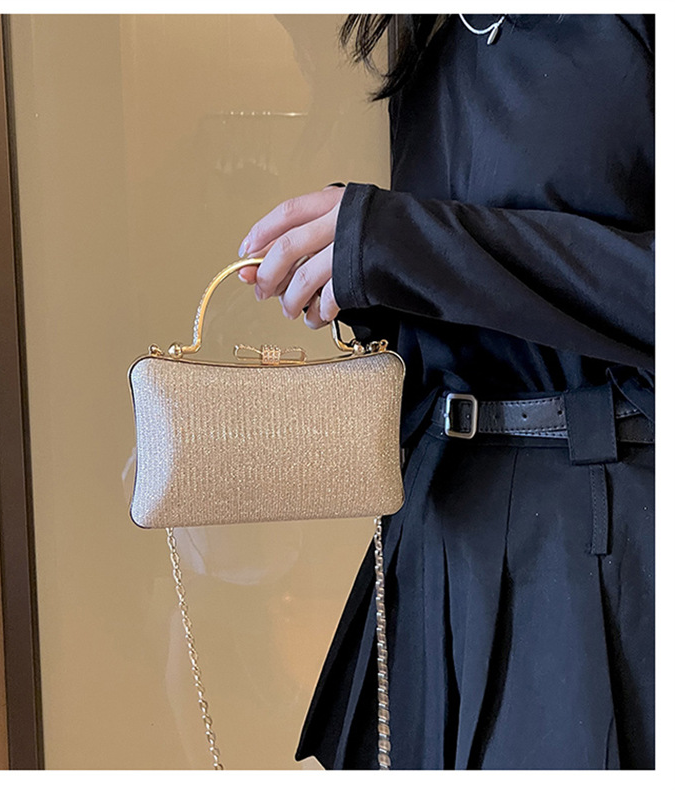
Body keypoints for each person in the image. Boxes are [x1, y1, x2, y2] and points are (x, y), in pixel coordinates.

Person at [236, 14, 654, 770]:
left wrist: (407, 242)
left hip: (599, 529)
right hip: (437, 522)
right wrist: (371, 273)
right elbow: (485, 284)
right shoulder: (431, 34)